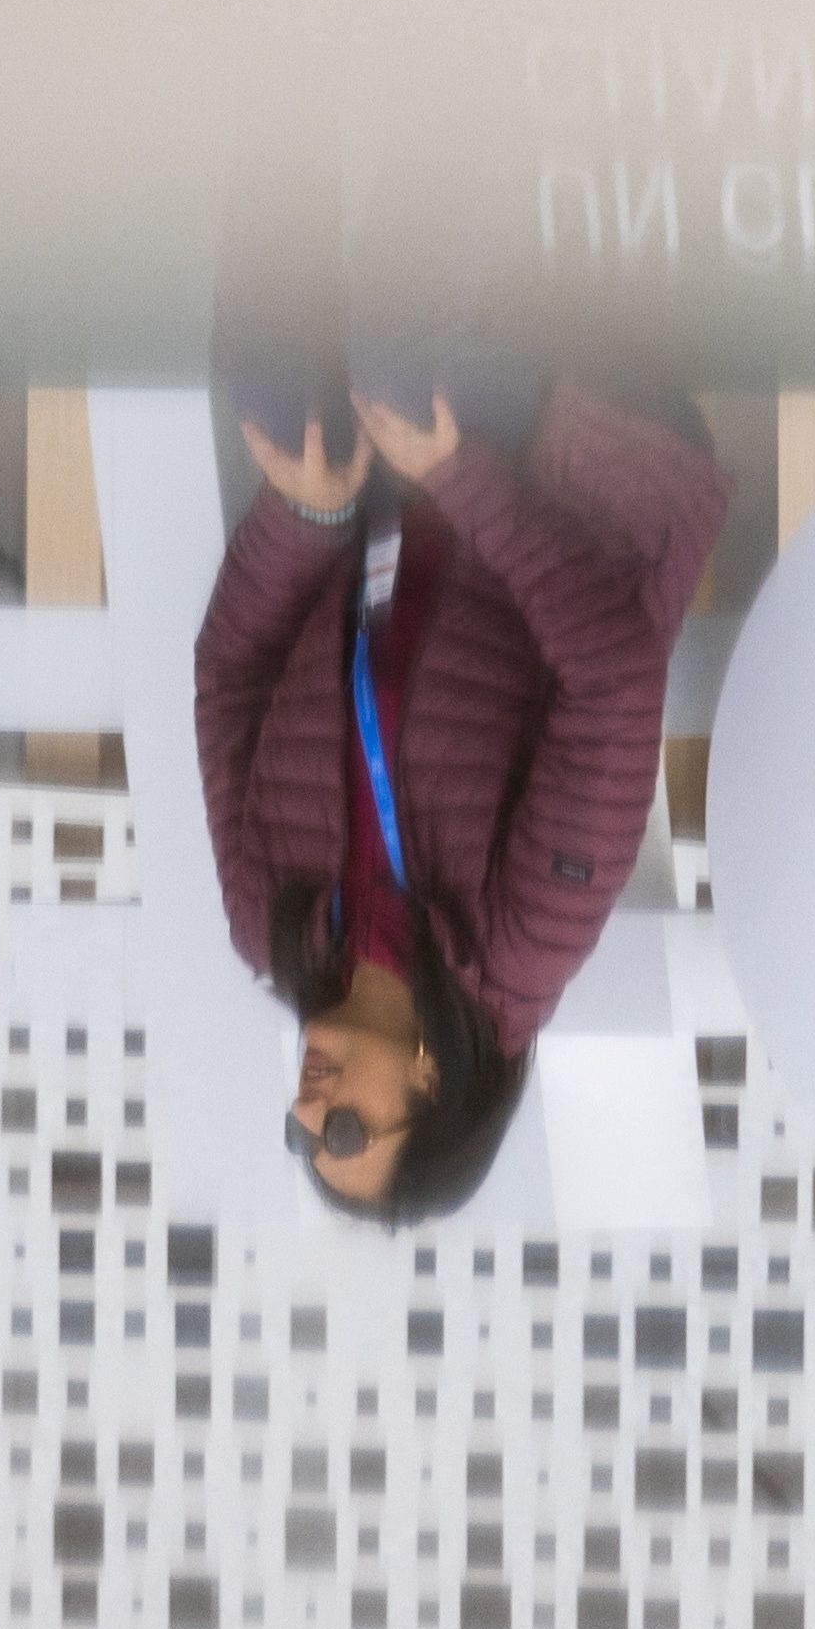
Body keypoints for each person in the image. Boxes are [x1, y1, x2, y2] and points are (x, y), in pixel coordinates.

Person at [193, 357, 727, 1219]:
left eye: (302, 1136)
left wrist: (305, 513)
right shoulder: (523, 942)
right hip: (570, 483)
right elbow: (613, 679)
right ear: (433, 1082)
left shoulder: (269, 923)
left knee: (259, 350)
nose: (305, 1108)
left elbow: (230, 672)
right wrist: (461, 479)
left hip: (375, 502)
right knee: (397, 335)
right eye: (343, 1132)